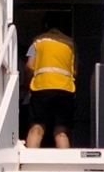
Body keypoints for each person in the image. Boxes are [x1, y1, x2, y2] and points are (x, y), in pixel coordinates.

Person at [25, 14, 76, 148]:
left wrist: (26, 83)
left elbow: (30, 65)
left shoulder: (38, 41)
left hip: (42, 88)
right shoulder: (70, 43)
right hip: (65, 89)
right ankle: (65, 160)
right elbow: (75, 71)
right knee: (61, 132)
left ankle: (31, 159)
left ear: (45, 26)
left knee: (37, 129)